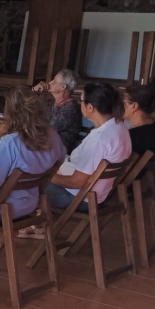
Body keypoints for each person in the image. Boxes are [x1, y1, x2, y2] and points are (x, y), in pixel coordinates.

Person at [0, 86, 66, 222]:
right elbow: (60, 159)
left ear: (10, 113)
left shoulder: (9, 145)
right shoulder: (53, 136)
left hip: (1, 210)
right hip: (29, 204)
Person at [43, 82, 131, 212]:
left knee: (22, 188)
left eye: (81, 100)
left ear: (90, 107)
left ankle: (29, 227)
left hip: (77, 196)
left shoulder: (100, 138)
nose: (80, 104)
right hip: (92, 194)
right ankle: (36, 227)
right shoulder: (119, 127)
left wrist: (46, 174)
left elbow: (76, 182)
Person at [33, 69, 82, 153]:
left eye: (54, 81)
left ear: (63, 87)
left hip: (56, 152)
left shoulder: (71, 108)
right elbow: (29, 114)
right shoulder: (50, 103)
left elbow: (48, 129)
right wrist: (34, 90)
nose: (49, 83)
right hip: (42, 147)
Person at [123, 84, 155, 155]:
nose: (119, 106)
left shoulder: (131, 137)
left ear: (134, 106)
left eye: (123, 102)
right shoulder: (152, 130)